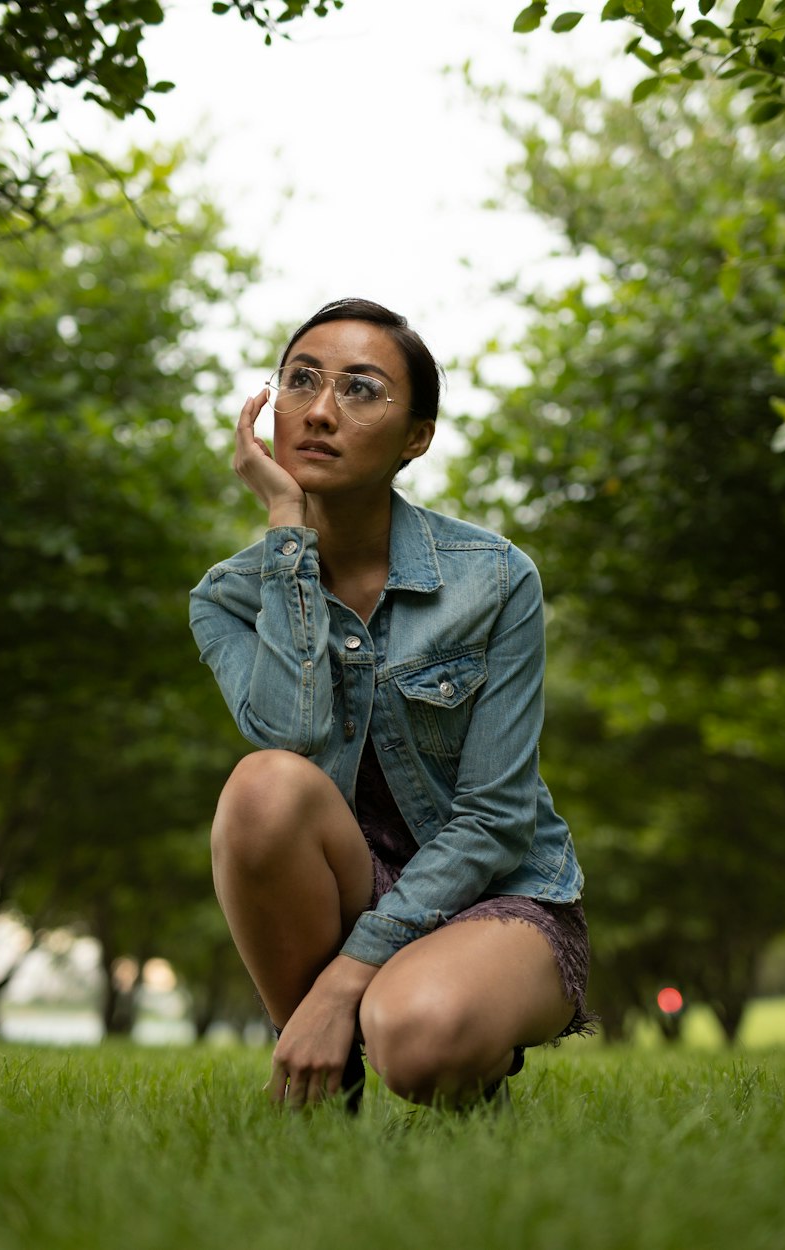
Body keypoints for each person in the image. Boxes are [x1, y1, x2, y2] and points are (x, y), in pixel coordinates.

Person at [189, 298, 593, 1111]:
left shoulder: (495, 578)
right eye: (300, 381)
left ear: (417, 437)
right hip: (348, 879)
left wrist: (345, 980)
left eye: (361, 390)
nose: (321, 411)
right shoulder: (228, 601)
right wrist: (284, 526)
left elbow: (493, 820)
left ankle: (449, 1055)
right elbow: (293, 737)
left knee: (421, 1043)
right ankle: (323, 1090)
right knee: (264, 787)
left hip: (496, 894)